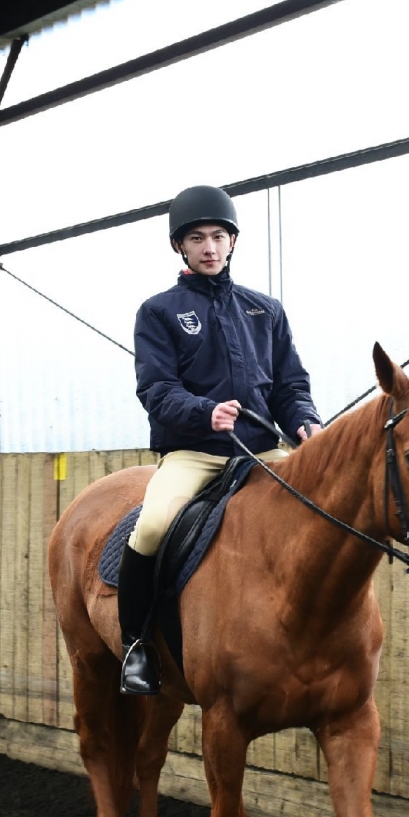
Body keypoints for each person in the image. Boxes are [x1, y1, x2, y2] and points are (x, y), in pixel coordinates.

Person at [117, 185, 323, 695]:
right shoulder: (159, 312)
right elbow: (157, 390)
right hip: (194, 453)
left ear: (232, 242)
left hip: (262, 450)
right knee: (152, 526)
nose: (209, 247)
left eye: (217, 236)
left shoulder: (265, 311)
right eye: (196, 238)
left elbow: (291, 386)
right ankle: (137, 646)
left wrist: (305, 423)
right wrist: (205, 413)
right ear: (179, 247)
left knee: (322, 509)